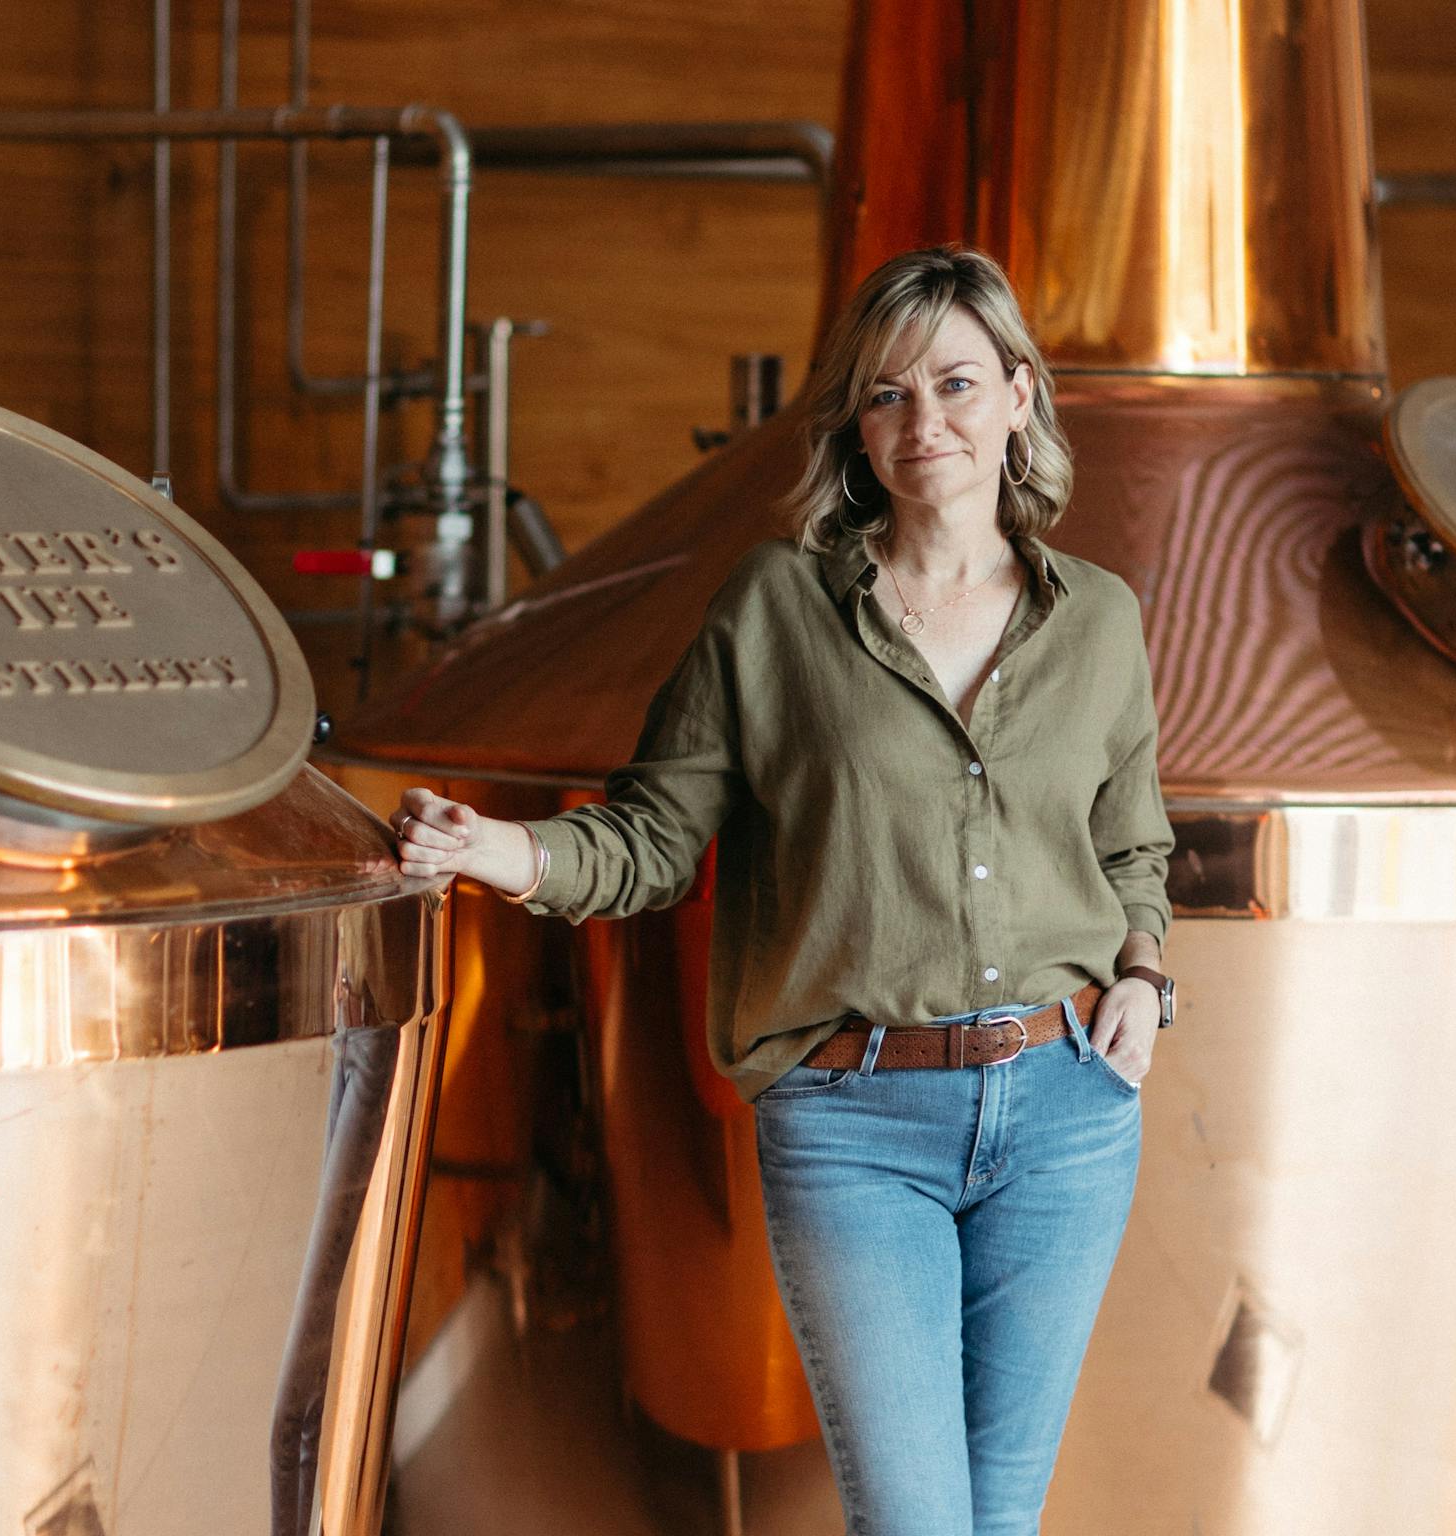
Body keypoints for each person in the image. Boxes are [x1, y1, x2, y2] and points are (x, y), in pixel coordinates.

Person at [389, 243, 1175, 1536]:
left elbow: (1133, 846)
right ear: (858, 430)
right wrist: (501, 853)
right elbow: (649, 837)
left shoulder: (1099, 620)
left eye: (960, 385)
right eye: (890, 395)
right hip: (857, 1128)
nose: (927, 422)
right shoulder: (773, 612)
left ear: (1021, 399)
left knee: (1003, 1522)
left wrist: (1144, 978)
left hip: (1067, 1116)